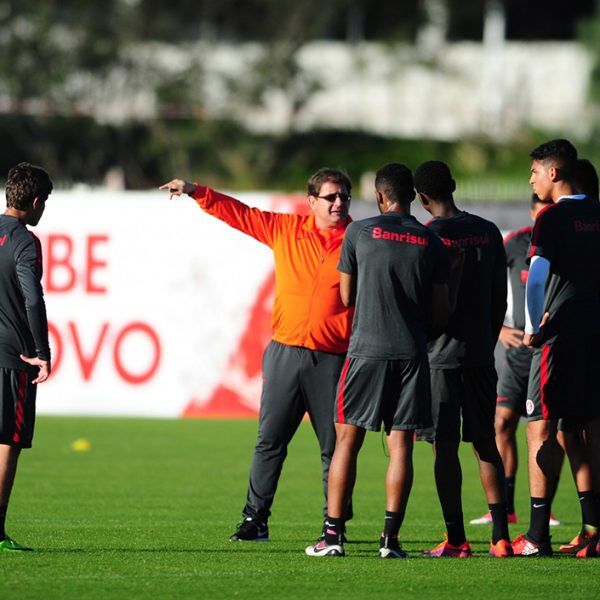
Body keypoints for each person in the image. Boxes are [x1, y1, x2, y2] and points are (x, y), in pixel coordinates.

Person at [160, 169, 354, 542]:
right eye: (330, 197)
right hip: (284, 353)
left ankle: (335, 526)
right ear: (312, 201)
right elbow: (241, 214)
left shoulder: (359, 240)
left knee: (335, 448)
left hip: (332, 359)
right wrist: (196, 191)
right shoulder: (287, 230)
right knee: (270, 441)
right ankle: (255, 520)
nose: (338, 203)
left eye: (343, 195)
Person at [304, 163, 452, 558]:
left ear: (381, 196)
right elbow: (440, 311)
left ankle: (332, 538)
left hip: (366, 350)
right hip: (411, 353)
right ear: (412, 197)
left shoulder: (358, 232)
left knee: (346, 443)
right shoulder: (431, 241)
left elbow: (347, 296)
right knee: (401, 446)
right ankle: (390, 541)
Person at [414, 160, 513, 558]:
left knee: (445, 447)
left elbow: (423, 300)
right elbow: (499, 298)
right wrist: (486, 341)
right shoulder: (488, 231)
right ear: (454, 186)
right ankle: (501, 536)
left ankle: (456, 539)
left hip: (439, 357)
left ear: (421, 199)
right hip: (479, 355)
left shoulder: (428, 237)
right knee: (485, 442)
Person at [512, 139, 600, 557]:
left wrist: (532, 327)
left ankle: (535, 535)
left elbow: (538, 273)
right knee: (583, 430)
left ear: (553, 173)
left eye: (534, 171)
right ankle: (594, 530)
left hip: (560, 337)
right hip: (596, 337)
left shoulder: (552, 217)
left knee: (540, 429)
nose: (531, 179)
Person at [470, 194, 562, 528]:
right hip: (519, 350)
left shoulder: (566, 242)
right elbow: (482, 286)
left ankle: (544, 508)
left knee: (555, 430)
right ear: (533, 213)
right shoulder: (514, 243)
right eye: (542, 213)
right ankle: (505, 507)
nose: (546, 218)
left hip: (552, 347)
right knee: (502, 422)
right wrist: (500, 329)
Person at [0, 162, 52, 552]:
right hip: (12, 356)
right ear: (35, 202)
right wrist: (41, 352)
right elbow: (33, 299)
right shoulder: (25, 241)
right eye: (45, 201)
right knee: (7, 443)